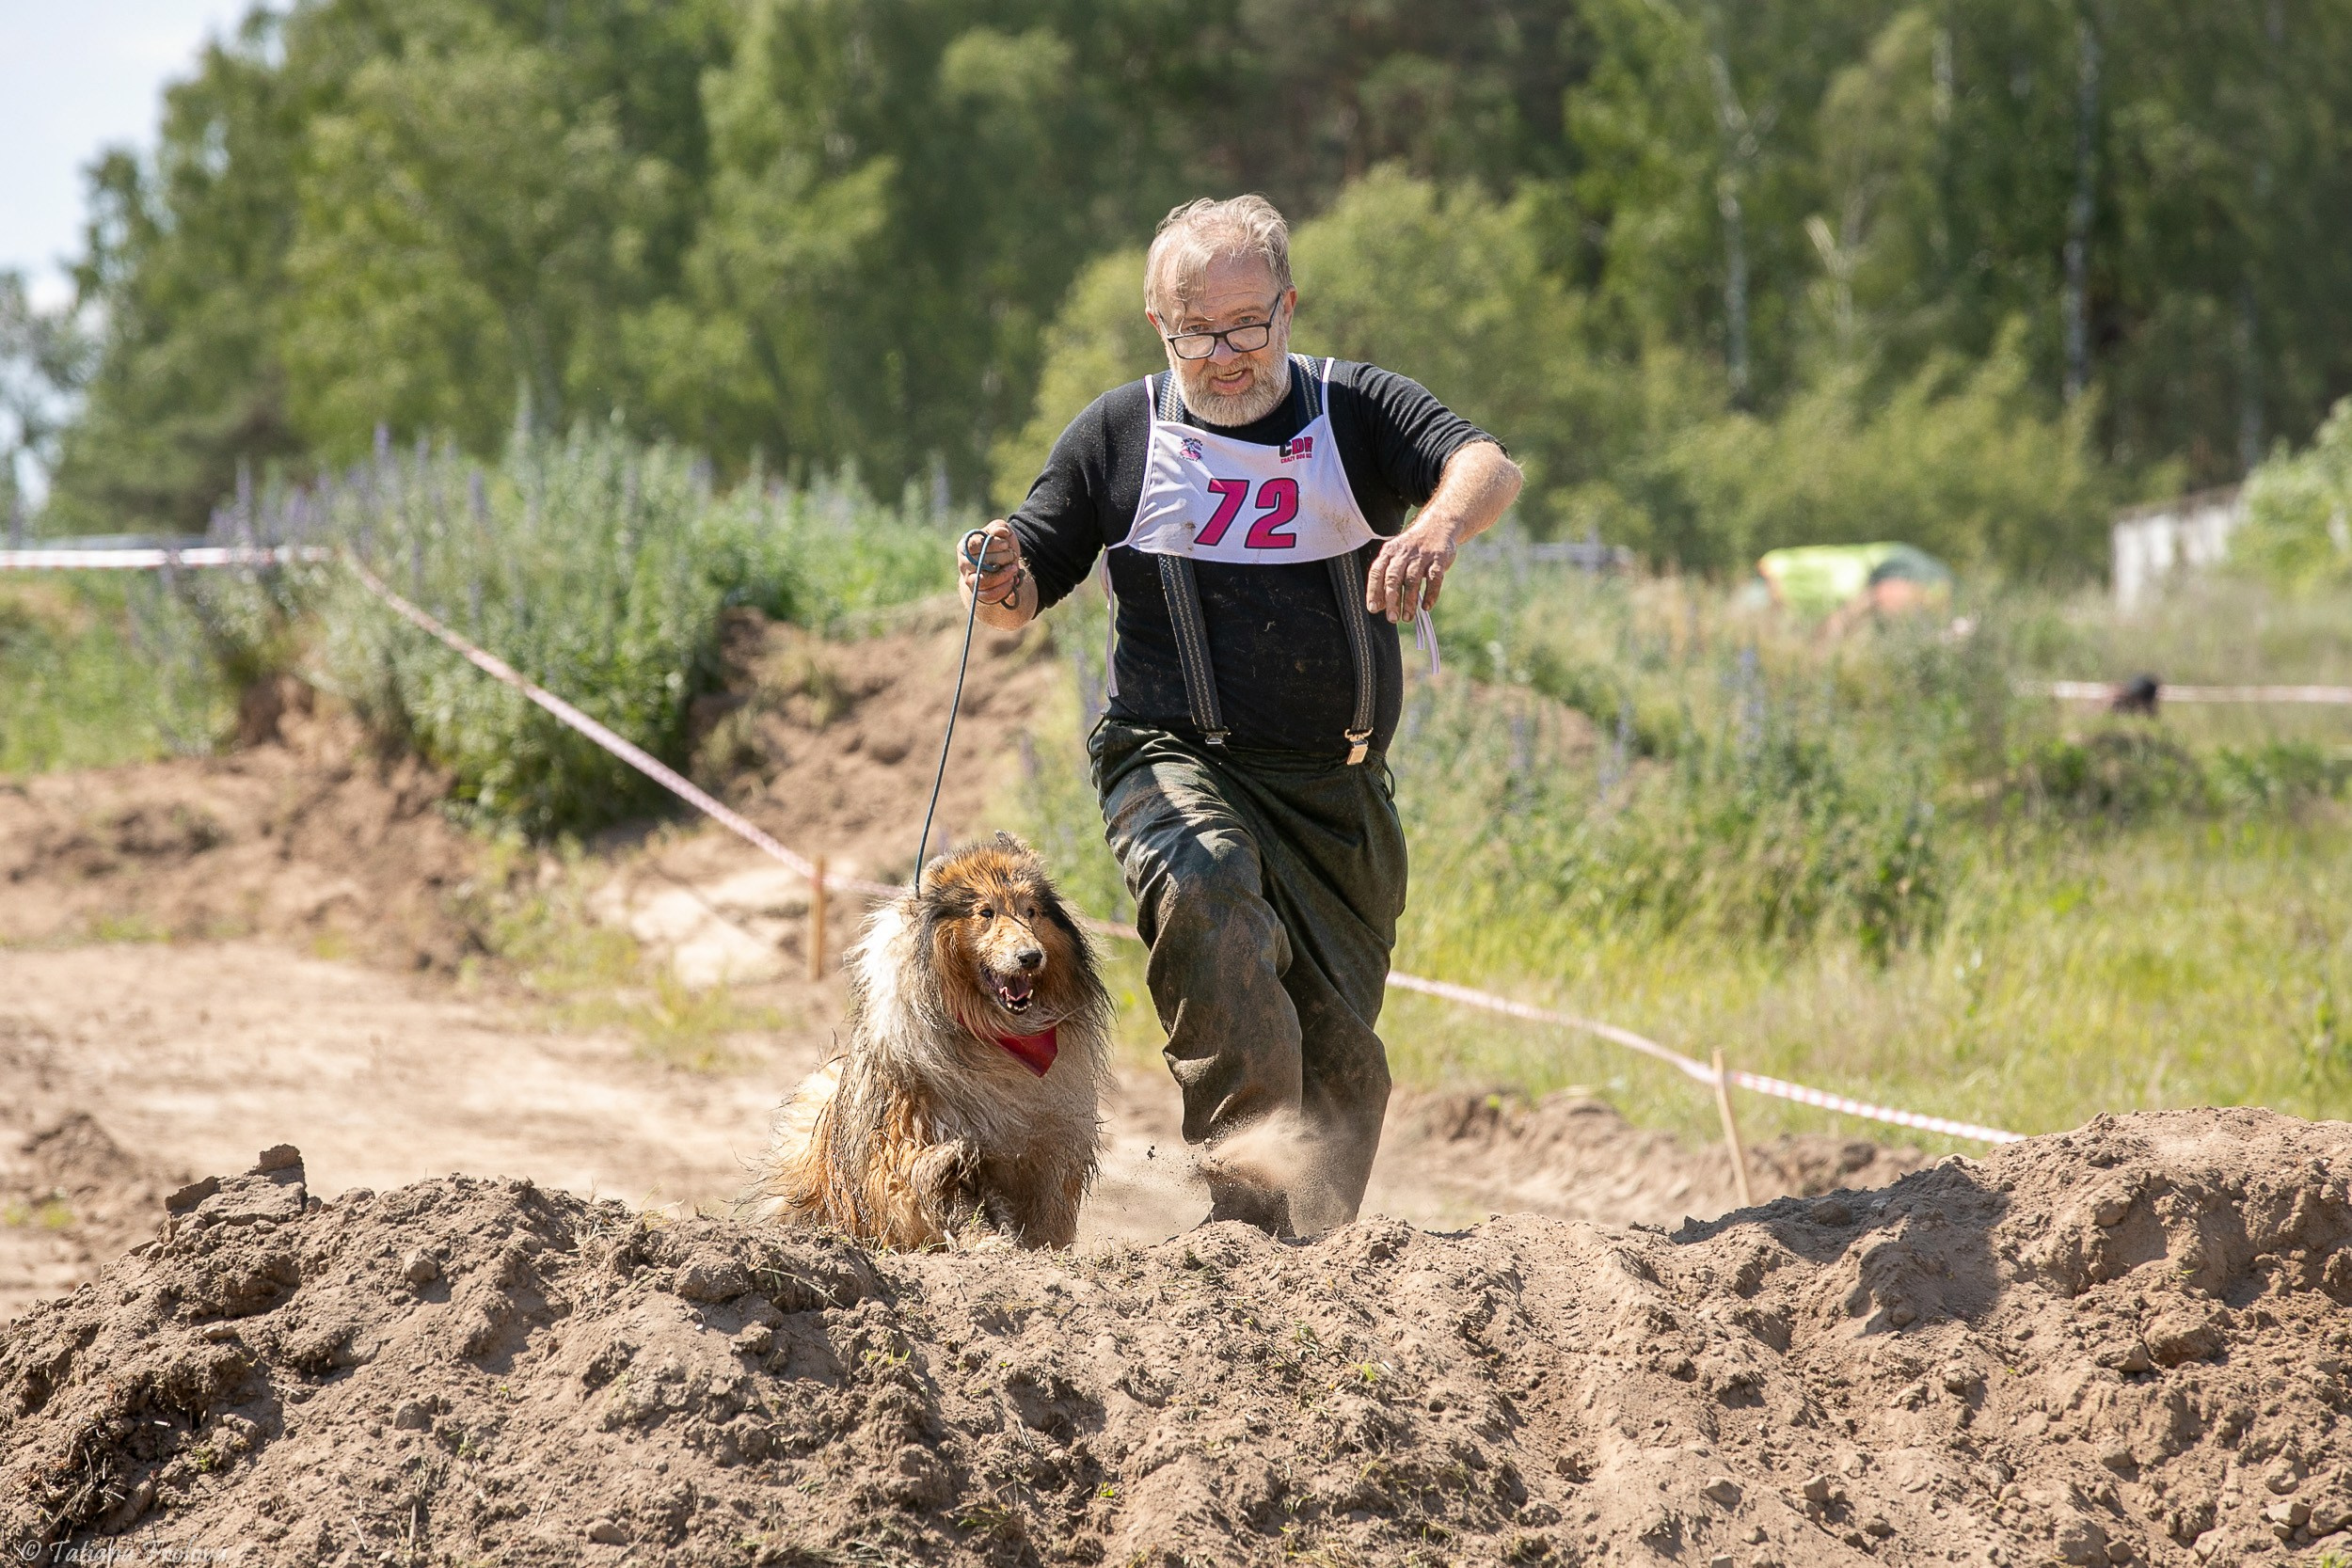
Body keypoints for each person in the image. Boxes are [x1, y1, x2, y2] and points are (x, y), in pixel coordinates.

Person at [957, 195, 1522, 1235]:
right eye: (1197, 333)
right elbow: (1023, 583)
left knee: (1341, 1061)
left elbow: (1485, 463)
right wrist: (994, 572)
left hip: (1333, 790)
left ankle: (1314, 1259)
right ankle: (1241, 1207)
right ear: (1158, 326)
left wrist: (1439, 525)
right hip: (1171, 755)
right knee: (1207, 880)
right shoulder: (1119, 432)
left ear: (1288, 306)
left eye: (1247, 326)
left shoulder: (1350, 407)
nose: (1225, 355)